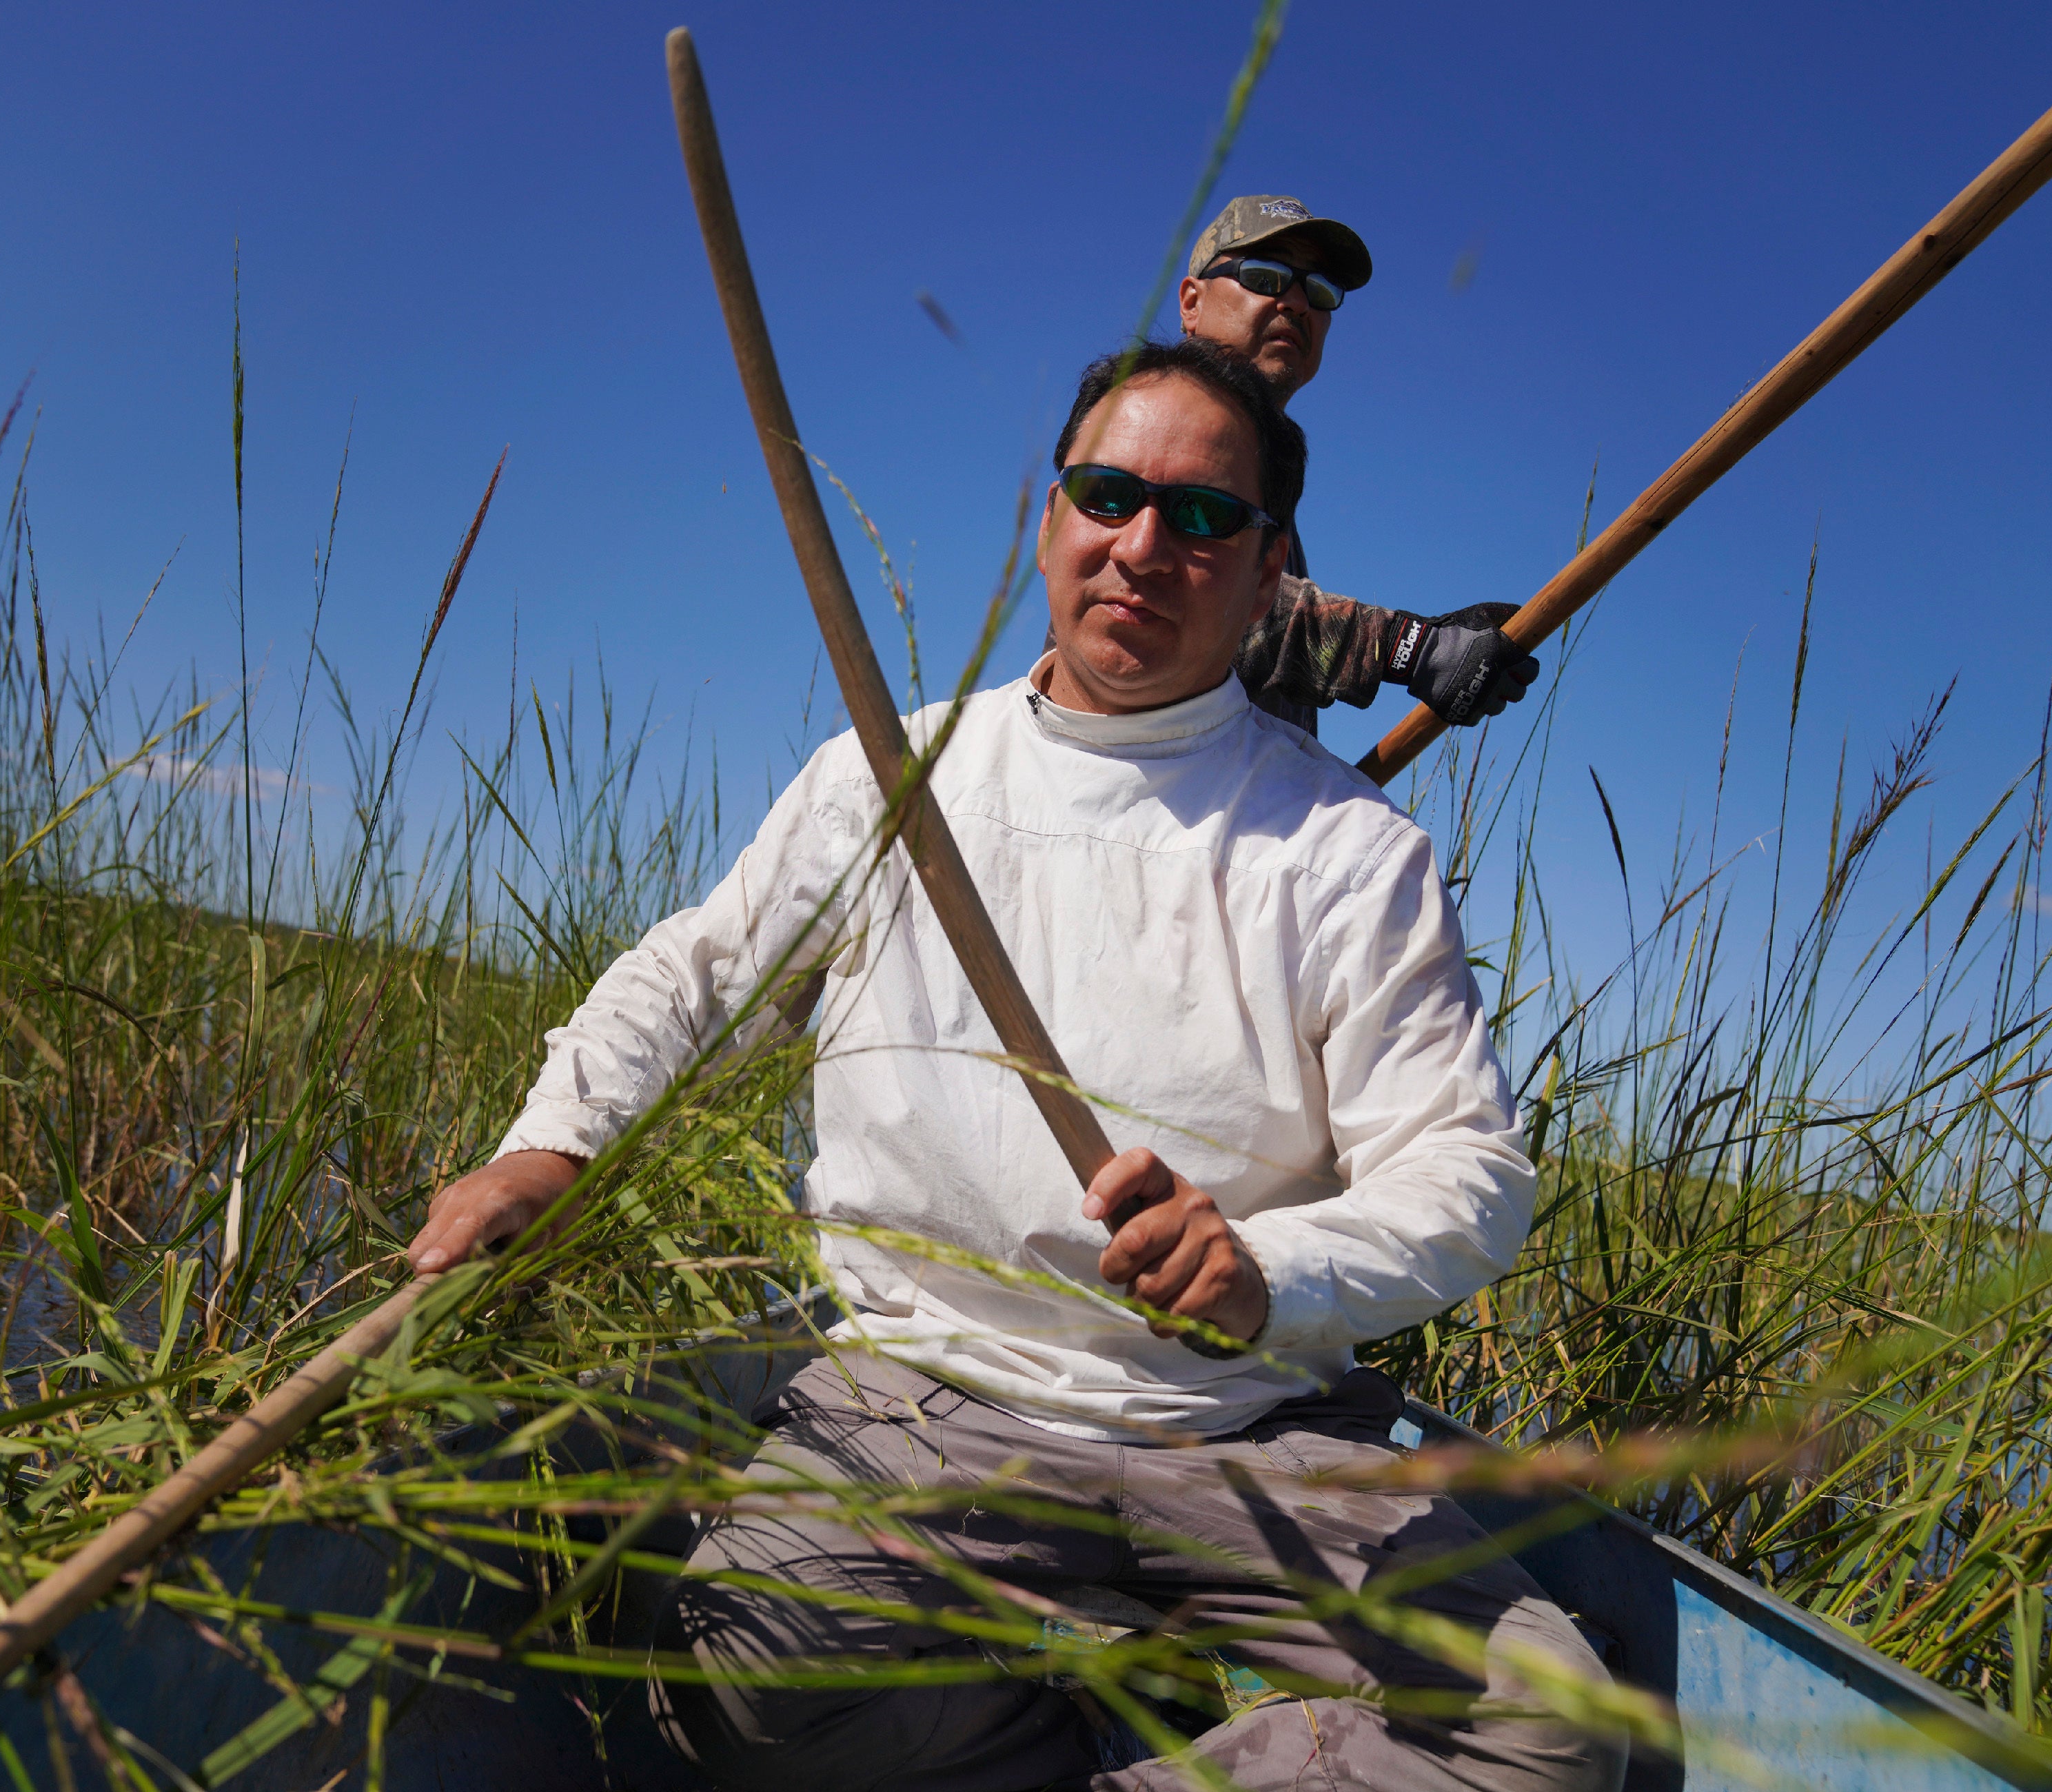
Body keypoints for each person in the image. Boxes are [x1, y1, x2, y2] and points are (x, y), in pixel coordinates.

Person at [409, 339, 1624, 1791]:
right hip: (920, 1390)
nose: (1142, 544)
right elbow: (701, 973)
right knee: (741, 1681)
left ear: (1267, 570)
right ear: (1051, 517)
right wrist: (557, 1143)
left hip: (1242, 1422)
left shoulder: (1349, 849)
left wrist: (1268, 1270)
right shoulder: (896, 769)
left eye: (1203, 518)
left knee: (1550, 1732)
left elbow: (1466, 1175)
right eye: (1107, 494)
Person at [1136, 194, 1540, 737]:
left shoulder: (1263, 464)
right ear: (1191, 302)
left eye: (1320, 291)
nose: (1298, 303)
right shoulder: (1157, 420)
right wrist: (1409, 647)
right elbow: (1206, 594)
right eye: (1265, 275)